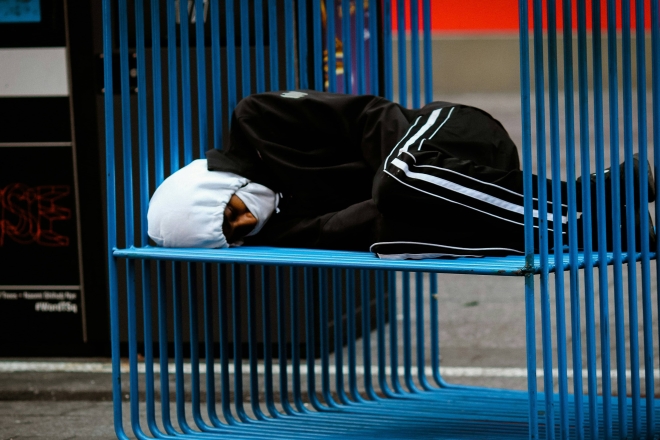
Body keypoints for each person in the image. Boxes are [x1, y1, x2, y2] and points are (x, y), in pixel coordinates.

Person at [147, 90, 655, 259]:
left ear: (219, 186)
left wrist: (392, 179)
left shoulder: (259, 120)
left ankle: (585, 208)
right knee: (394, 230)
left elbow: (371, 115)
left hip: (446, 133)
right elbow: (363, 225)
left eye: (231, 214)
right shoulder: (281, 230)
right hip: (471, 192)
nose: (247, 225)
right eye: (233, 235)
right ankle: (605, 219)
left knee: (396, 183)